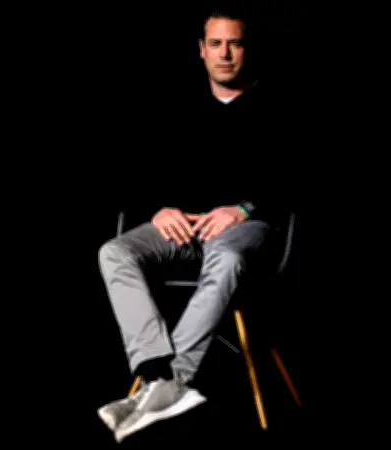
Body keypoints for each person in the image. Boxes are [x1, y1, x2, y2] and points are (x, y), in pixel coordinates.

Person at [96, 4, 285, 443]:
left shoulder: (276, 106)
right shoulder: (177, 107)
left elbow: (294, 184)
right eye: (216, 44)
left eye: (234, 44)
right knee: (114, 251)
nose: (225, 54)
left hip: (243, 228)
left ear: (247, 48)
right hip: (183, 229)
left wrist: (242, 210)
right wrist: (159, 209)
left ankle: (170, 383)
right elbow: (139, 175)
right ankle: (156, 372)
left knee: (227, 255)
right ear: (201, 50)